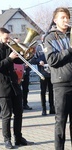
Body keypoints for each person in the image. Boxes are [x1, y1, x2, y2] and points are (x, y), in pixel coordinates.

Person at [0, 28, 33, 149]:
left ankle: (18, 138)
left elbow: (18, 60)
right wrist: (10, 58)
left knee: (19, 112)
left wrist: (27, 54)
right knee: (7, 114)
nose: (8, 40)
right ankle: (7, 139)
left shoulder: (9, 48)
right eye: (6, 38)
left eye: (9, 38)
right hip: (2, 86)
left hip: (14, 85)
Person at [43, 7, 72, 150]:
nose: (66, 20)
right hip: (61, 84)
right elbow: (52, 60)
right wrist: (70, 49)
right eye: (63, 17)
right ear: (55, 20)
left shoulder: (71, 34)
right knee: (60, 121)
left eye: (67, 17)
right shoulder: (49, 38)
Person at [31, 39, 55, 115]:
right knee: (43, 91)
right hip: (42, 73)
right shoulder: (39, 47)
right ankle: (43, 109)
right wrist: (39, 61)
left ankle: (52, 108)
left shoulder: (52, 45)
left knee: (51, 91)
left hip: (51, 72)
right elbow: (33, 60)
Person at [13, 38, 32, 110]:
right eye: (16, 43)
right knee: (17, 89)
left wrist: (28, 62)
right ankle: (17, 104)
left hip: (25, 72)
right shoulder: (13, 51)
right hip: (17, 72)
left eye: (19, 43)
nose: (18, 45)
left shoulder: (23, 50)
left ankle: (25, 104)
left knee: (26, 89)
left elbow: (29, 58)